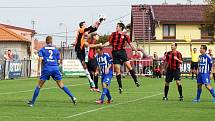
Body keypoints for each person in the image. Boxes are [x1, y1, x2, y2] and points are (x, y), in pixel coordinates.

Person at [28, 36, 77, 107]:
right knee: (61, 85)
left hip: (47, 68)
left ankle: (32, 102)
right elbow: (59, 61)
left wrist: (39, 69)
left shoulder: (43, 49)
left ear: (46, 41)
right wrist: (55, 66)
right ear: (52, 41)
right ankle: (73, 97)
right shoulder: (56, 49)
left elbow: (40, 59)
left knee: (39, 86)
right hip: (55, 68)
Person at [102, 22, 140, 94]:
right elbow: (109, 42)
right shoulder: (113, 34)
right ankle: (120, 87)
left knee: (129, 66)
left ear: (121, 28)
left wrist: (136, 51)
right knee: (117, 70)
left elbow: (131, 44)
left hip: (122, 52)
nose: (116, 27)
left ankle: (136, 81)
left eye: (117, 26)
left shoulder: (125, 35)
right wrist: (102, 45)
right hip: (115, 53)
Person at [75, 16, 105, 90]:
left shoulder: (86, 33)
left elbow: (94, 29)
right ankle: (92, 83)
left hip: (84, 51)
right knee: (84, 65)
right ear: (82, 26)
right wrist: (98, 20)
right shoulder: (81, 30)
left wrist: (100, 22)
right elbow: (90, 29)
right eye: (85, 24)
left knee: (89, 69)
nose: (86, 25)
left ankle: (92, 84)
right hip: (79, 49)